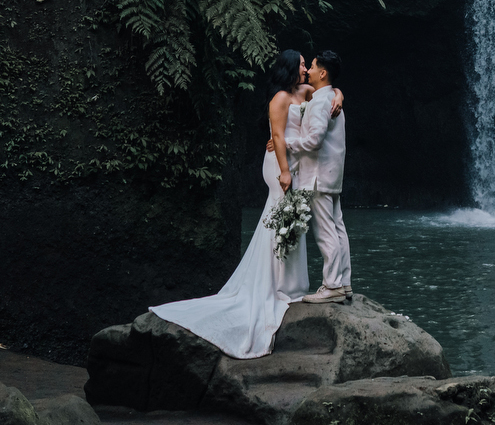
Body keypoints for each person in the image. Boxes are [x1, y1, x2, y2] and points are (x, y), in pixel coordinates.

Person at [146, 49, 320, 357]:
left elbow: (326, 93)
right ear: (291, 67)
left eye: (308, 65)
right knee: (281, 216)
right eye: (303, 64)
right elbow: (278, 137)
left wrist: (338, 96)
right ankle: (277, 284)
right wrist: (283, 171)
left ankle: (290, 284)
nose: (307, 69)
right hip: (279, 164)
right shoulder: (280, 98)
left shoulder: (304, 92)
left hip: (295, 162)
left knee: (292, 217)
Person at [284, 49, 349, 302]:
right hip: (332, 174)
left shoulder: (322, 101)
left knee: (325, 231)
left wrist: (289, 143)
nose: (308, 71)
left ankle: (332, 286)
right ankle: (344, 282)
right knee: (338, 228)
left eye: (311, 66)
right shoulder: (331, 97)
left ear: (322, 73)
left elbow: (315, 140)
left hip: (318, 175)